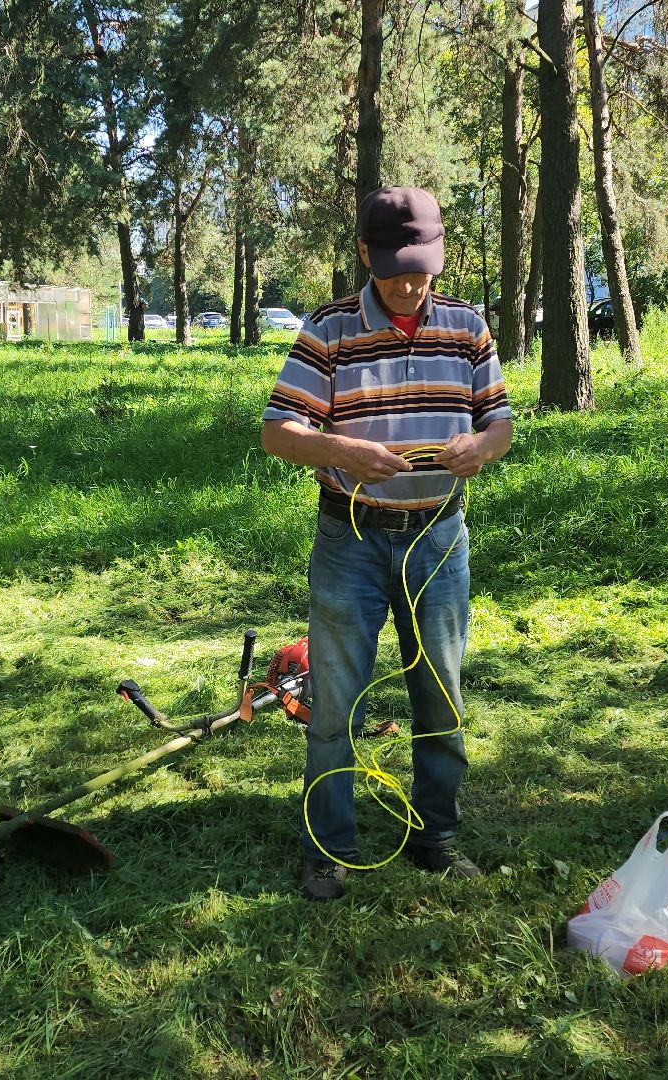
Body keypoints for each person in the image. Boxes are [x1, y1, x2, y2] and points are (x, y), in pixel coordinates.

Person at [260, 186, 514, 902]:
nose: (410, 283)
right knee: (337, 701)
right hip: (352, 540)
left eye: (422, 267)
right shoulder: (329, 329)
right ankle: (329, 847)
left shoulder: (466, 325)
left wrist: (481, 448)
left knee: (440, 692)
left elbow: (502, 422)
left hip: (438, 541)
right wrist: (337, 447)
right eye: (396, 267)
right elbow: (277, 431)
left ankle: (437, 836)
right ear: (367, 255)